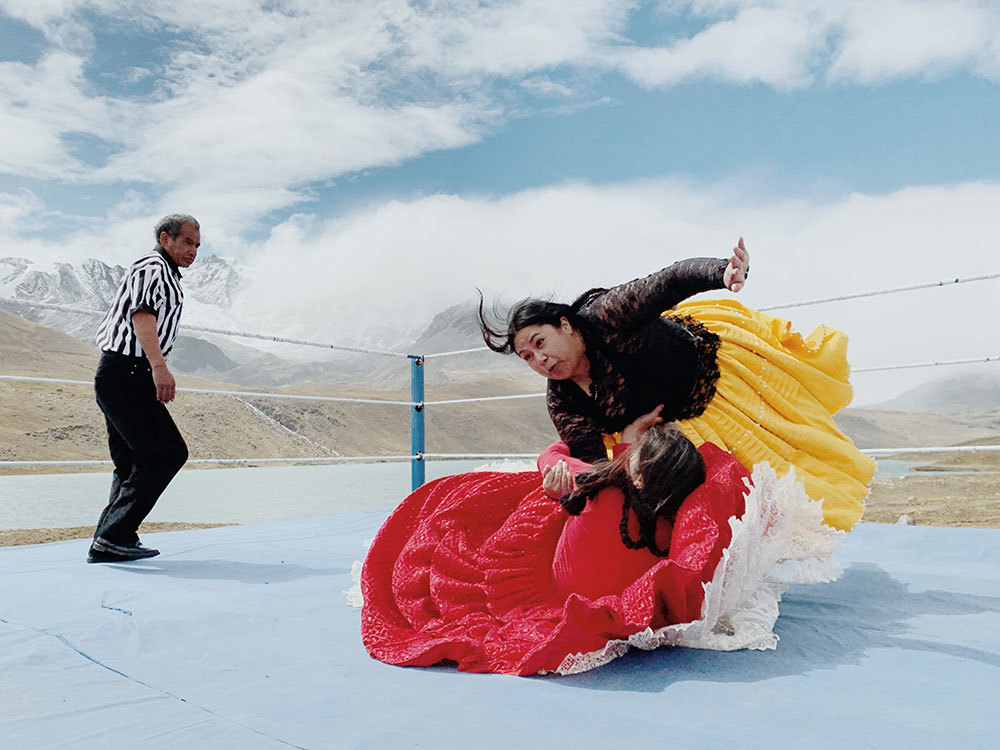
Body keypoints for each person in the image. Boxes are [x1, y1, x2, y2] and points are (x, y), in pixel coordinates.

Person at [360, 414, 838, 676]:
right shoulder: (676, 525)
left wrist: (587, 464)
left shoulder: (601, 488)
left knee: (467, 508)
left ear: (636, 467)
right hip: (577, 589)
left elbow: (554, 457)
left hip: (536, 582)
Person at [478, 238, 875, 531]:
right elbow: (594, 466)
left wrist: (723, 272)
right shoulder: (563, 400)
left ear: (565, 324)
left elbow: (668, 281)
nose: (539, 359)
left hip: (713, 376)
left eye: (540, 343)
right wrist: (617, 450)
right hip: (670, 431)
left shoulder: (604, 316)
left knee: (789, 465)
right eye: (527, 357)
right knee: (710, 507)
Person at [87, 214, 200, 563]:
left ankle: (112, 540)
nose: (193, 251)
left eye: (197, 245)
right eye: (187, 242)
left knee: (131, 461)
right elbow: (142, 316)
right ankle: (114, 535)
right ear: (166, 239)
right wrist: (159, 367)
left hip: (122, 374)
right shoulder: (152, 267)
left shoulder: (165, 272)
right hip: (127, 373)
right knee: (167, 453)